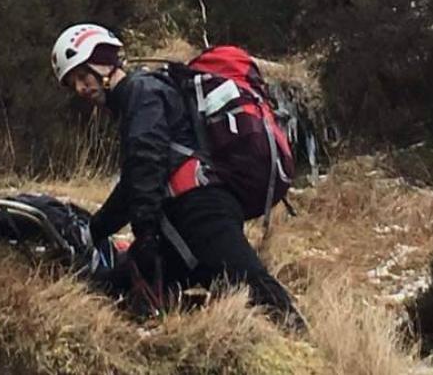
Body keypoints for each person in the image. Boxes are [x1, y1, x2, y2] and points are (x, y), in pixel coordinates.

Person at [50, 24, 306, 331]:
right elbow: (134, 181)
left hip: (201, 210)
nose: (80, 88)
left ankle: (304, 349)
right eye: (72, 83)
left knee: (253, 287)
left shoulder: (140, 91)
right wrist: (96, 230)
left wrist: (143, 234)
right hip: (179, 222)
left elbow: (147, 162)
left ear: (102, 60)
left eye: (82, 75)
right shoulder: (140, 95)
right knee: (116, 286)